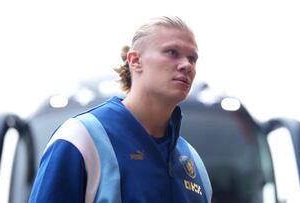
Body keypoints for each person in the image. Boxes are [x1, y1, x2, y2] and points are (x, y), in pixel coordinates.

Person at [28, 16, 212, 203]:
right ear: (135, 60)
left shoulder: (193, 162)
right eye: (172, 52)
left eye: (192, 58)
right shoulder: (80, 138)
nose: (186, 65)